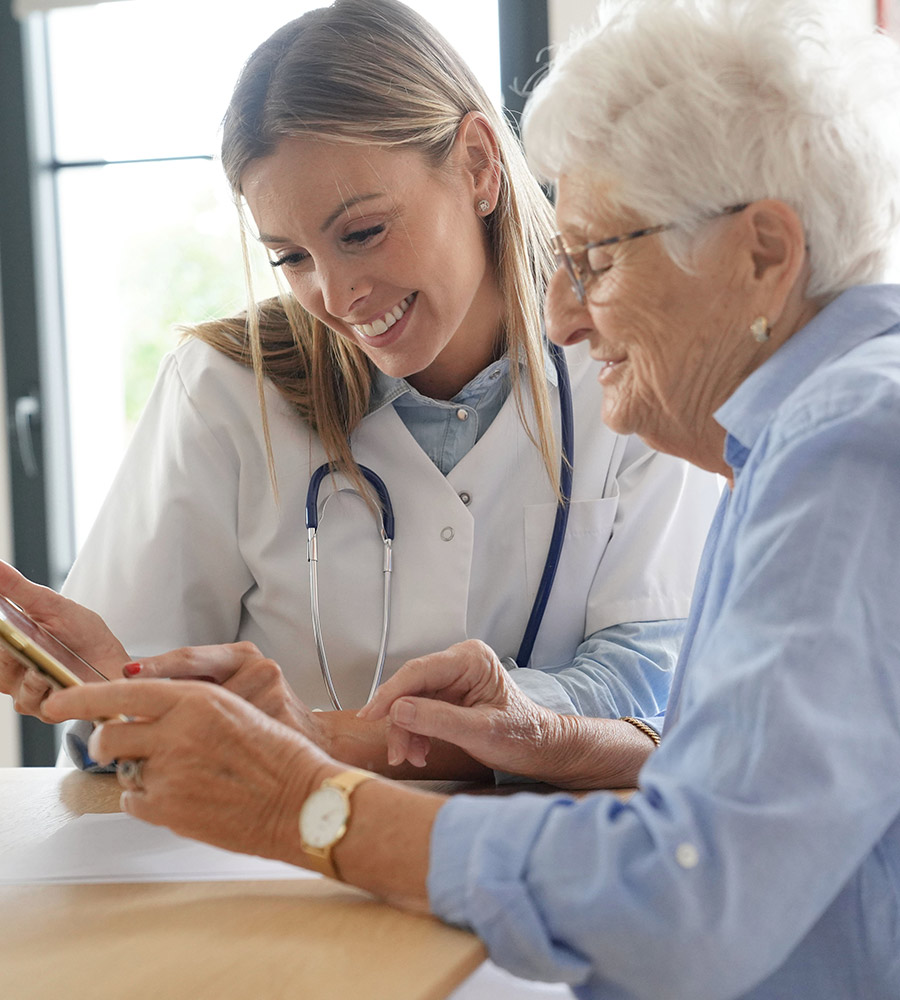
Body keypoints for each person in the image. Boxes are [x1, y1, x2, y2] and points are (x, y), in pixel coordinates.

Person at [26, 0, 900, 994]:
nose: (565, 312)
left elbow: (691, 893)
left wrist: (311, 798)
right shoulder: (812, 436)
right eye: (293, 255)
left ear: (765, 254)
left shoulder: (849, 450)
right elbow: (746, 796)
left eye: (599, 258)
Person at [2, 0, 718, 779]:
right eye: (292, 257)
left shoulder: (621, 363)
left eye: (362, 232)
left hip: (550, 865)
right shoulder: (223, 392)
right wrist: (103, 692)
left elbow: (654, 687)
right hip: (282, 876)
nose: (338, 296)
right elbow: (123, 728)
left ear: (479, 165)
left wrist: (325, 737)